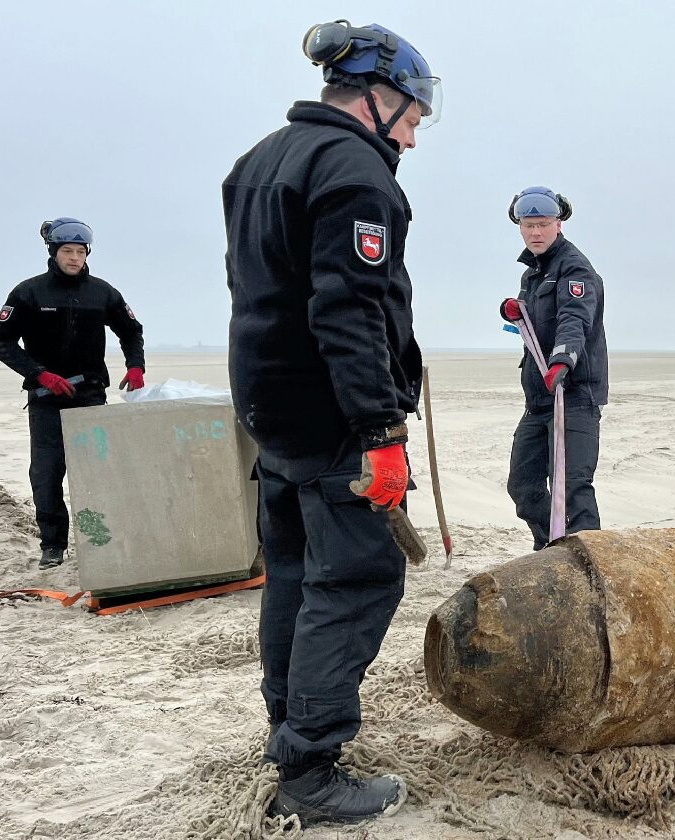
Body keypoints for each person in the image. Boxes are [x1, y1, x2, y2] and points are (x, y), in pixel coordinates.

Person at [222, 19, 440, 825]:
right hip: (335, 424)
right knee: (352, 583)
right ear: (379, 99)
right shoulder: (355, 173)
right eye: (412, 119)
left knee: (291, 574)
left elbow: (258, 292)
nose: (413, 139)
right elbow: (347, 311)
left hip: (271, 415)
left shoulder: (258, 162)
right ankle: (310, 769)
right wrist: (381, 432)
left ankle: (286, 727)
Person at [0, 217, 145, 569]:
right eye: (67, 251)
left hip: (90, 396)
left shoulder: (103, 292)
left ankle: (100, 539)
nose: (74, 258)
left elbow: (131, 331)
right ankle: (53, 546)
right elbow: (1, 342)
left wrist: (135, 365)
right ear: (53, 252)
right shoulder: (28, 293)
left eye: (80, 251)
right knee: (46, 473)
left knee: (96, 472)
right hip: (46, 400)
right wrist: (40, 375)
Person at [498, 187, 608, 551]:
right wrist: (516, 312)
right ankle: (553, 552)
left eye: (543, 224)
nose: (536, 233)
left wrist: (563, 359)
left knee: (572, 488)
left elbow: (574, 318)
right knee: (523, 486)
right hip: (539, 400)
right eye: (529, 225)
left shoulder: (574, 268)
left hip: (573, 397)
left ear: (558, 224)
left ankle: (592, 566)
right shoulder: (533, 273)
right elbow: (538, 325)